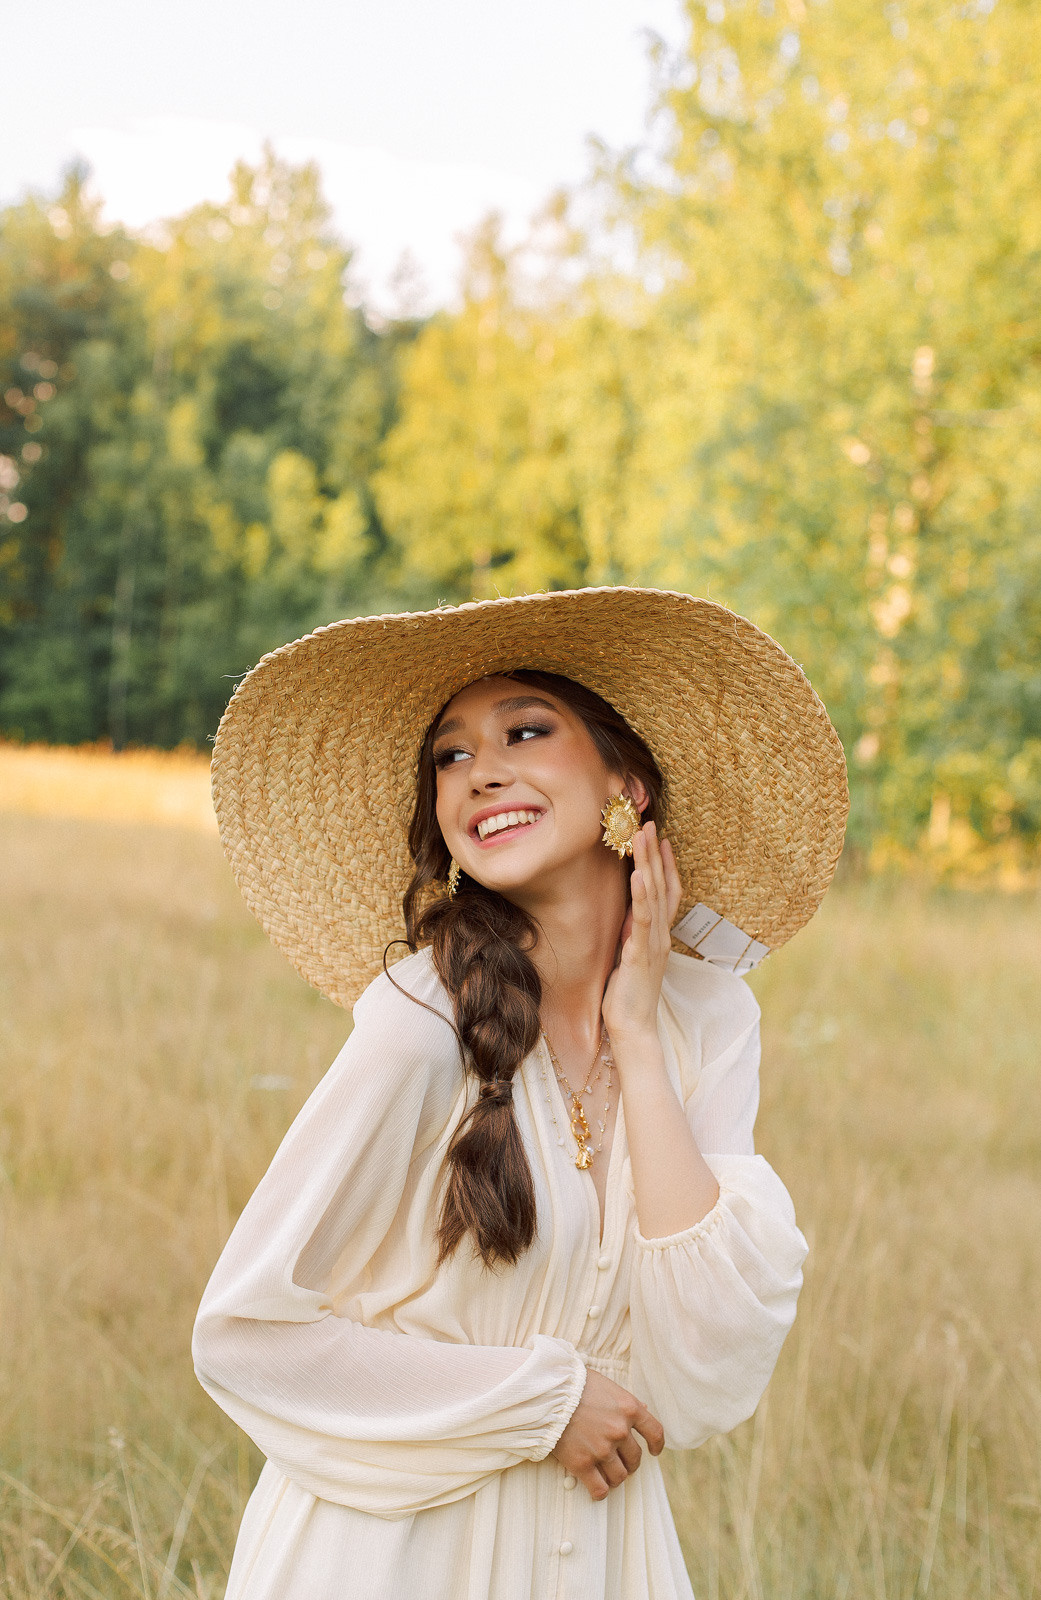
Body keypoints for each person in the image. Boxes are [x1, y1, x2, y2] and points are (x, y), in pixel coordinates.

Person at [194, 585, 849, 1599]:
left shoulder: (705, 1019)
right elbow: (245, 1331)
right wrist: (541, 1400)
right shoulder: (419, 1023)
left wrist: (632, 1030)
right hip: (392, 1554)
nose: (478, 771)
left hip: (595, 1550)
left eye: (524, 730)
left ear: (623, 778)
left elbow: (704, 1354)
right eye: (448, 755)